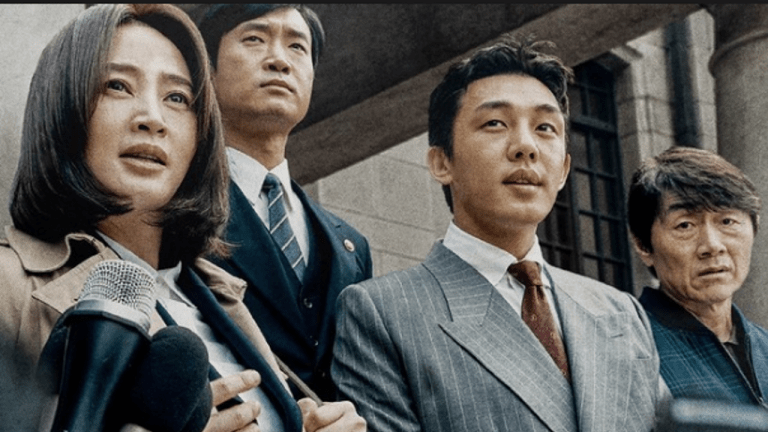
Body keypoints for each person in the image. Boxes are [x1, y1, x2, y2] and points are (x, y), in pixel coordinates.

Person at [0, 4, 362, 431]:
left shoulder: (219, 293)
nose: (152, 119)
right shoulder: (9, 285)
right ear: (62, 108)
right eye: (117, 86)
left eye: (177, 98)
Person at [332, 37, 668, 431]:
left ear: (563, 170)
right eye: (495, 123)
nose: (526, 146)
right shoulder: (381, 314)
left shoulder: (622, 314)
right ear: (441, 162)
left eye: (545, 128)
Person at [196, 4, 373, 402]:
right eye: (255, 38)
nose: (279, 60)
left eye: (297, 47)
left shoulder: (352, 246)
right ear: (209, 69)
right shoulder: (176, 207)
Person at [628, 146, 768, 407]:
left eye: (727, 221)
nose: (712, 245)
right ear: (643, 246)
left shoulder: (764, 347)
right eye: (685, 225)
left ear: (754, 226)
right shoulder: (631, 349)